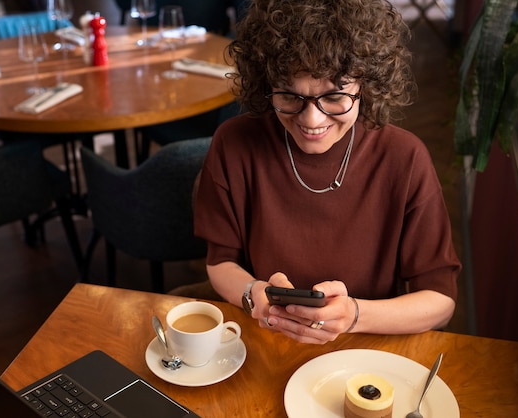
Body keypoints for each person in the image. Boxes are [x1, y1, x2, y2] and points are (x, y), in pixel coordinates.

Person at [193, 0, 461, 345]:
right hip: (263, 340)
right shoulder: (234, 144)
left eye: (334, 97)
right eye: (290, 96)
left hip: (363, 351)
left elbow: (440, 302)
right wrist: (252, 292)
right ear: (267, 84)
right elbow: (220, 262)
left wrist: (354, 315)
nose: (311, 121)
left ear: (366, 84)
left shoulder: (404, 159)